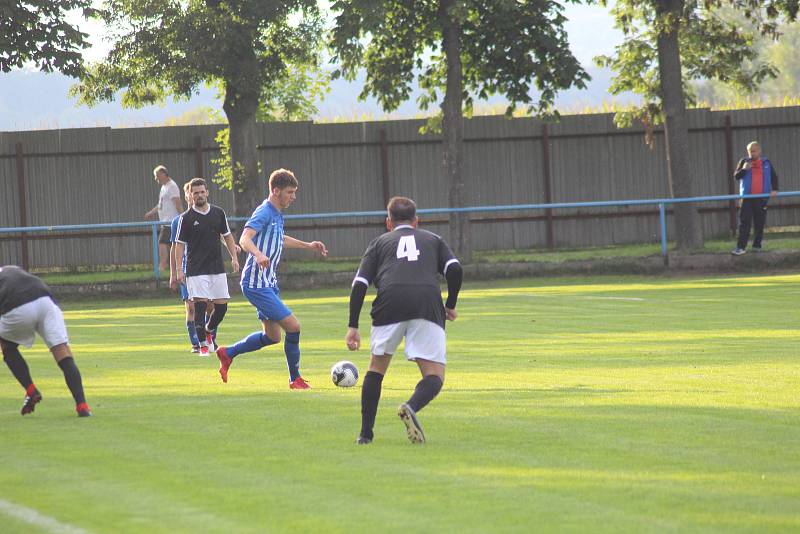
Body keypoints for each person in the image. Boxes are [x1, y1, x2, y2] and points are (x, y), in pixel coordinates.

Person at [345, 196, 463, 444]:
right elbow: (455, 269)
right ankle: (411, 406)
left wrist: (353, 325)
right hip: (427, 302)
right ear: (416, 221)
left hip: (390, 301)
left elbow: (360, 284)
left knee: (376, 368)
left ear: (389, 222)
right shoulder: (433, 240)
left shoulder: (379, 243)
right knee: (434, 375)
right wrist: (450, 304)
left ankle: (365, 434)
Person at [215, 169, 328, 390]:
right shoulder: (265, 211)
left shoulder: (277, 213)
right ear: (275, 191)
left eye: (294, 192)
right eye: (290, 192)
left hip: (268, 282)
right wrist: (257, 254)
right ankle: (295, 379)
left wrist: (307, 246)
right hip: (256, 283)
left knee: (273, 336)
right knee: (294, 327)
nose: (293, 197)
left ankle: (227, 353)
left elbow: (279, 238)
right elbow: (245, 238)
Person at [0, 266, 92, 417]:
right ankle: (82, 405)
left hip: (18, 306)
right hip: (46, 301)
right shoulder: (11, 269)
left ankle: (31, 391)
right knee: (62, 352)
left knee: (6, 346)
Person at [174, 178, 239, 357]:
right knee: (200, 308)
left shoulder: (218, 213)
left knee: (222, 308)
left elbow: (227, 236)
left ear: (207, 192)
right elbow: (178, 245)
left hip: (217, 268)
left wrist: (234, 257)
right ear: (191, 195)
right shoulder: (185, 219)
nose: (199, 195)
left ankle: (209, 331)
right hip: (196, 270)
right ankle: (202, 345)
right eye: (196, 193)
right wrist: (179, 269)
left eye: (202, 192)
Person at [170, 182, 201, 353]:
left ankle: (208, 338)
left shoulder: (207, 216)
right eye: (192, 193)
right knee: (191, 306)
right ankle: (195, 343)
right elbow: (175, 248)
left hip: (204, 268)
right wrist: (173, 273)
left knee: (208, 306)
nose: (195, 196)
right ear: (187, 195)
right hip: (186, 269)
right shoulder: (178, 221)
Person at [732, 141, 779, 255]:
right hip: (746, 198)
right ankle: (741, 247)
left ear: (759, 151)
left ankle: (757, 246)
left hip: (761, 198)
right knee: (744, 223)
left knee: (759, 223)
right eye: (749, 152)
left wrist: (774, 189)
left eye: (753, 151)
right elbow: (736, 177)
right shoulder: (744, 161)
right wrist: (744, 169)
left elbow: (774, 176)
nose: (751, 154)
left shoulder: (766, 162)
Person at [145, 165, 183, 272]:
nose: (156, 179)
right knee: (172, 246)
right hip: (165, 222)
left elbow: (177, 202)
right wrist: (151, 212)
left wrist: (183, 218)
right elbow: (160, 205)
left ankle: (162, 266)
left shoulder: (172, 186)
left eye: (157, 176)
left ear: (164, 174)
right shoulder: (164, 187)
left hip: (171, 222)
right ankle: (174, 268)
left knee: (162, 242)